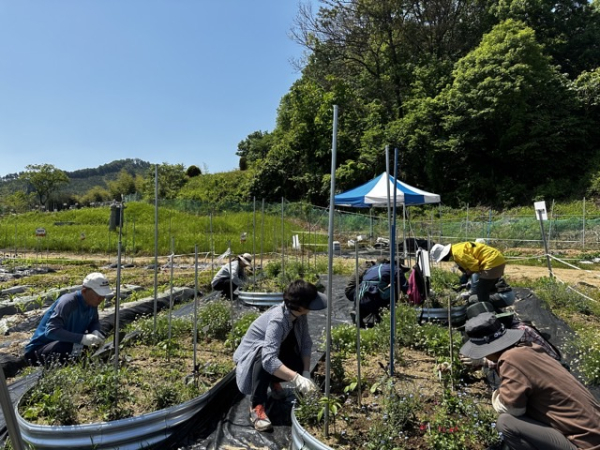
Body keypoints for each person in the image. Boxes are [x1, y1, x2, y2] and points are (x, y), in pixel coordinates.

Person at [460, 312, 600, 449]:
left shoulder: (509, 360)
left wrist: (496, 396)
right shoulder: (529, 349)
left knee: (506, 423)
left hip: (586, 445)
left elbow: (512, 409)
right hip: (594, 433)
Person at [233, 279, 325, 431]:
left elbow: (306, 342)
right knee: (264, 354)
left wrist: (305, 373)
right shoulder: (278, 320)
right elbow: (268, 359)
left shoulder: (300, 316)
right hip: (251, 358)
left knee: (298, 363)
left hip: (272, 353)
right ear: (301, 306)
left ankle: (273, 381)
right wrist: (296, 379)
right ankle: (256, 406)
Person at [24, 272, 111, 365]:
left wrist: (95, 331)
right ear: (84, 291)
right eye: (98, 295)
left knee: (94, 343)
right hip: (40, 349)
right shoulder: (68, 303)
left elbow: (94, 321)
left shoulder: (92, 303)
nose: (102, 298)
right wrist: (82, 338)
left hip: (67, 343)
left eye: (103, 295)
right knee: (67, 347)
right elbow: (51, 331)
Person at [431, 241, 506, 303]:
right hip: (497, 259)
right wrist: (465, 272)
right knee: (488, 289)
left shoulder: (458, 254)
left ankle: (486, 313)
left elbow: (474, 266)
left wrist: (467, 275)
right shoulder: (456, 248)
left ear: (444, 254)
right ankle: (494, 310)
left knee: (481, 292)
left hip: (492, 262)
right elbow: (468, 263)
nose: (443, 260)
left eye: (442, 258)